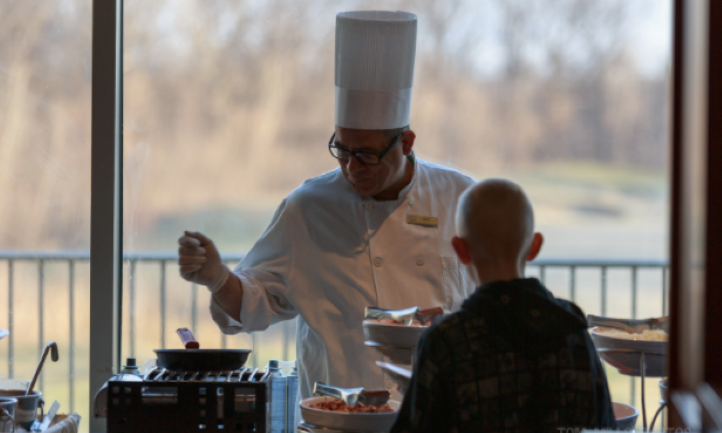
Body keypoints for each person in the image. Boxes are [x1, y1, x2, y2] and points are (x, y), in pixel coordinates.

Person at [177, 11, 476, 401]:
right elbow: (253, 305)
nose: (352, 168)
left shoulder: (462, 199)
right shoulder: (307, 208)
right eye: (342, 150)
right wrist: (218, 278)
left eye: (367, 155)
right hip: (337, 419)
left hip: (443, 415)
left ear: (406, 143)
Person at [391, 179, 616, 432]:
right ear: (534, 246)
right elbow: (603, 426)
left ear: (461, 249)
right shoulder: (573, 331)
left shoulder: (446, 340)